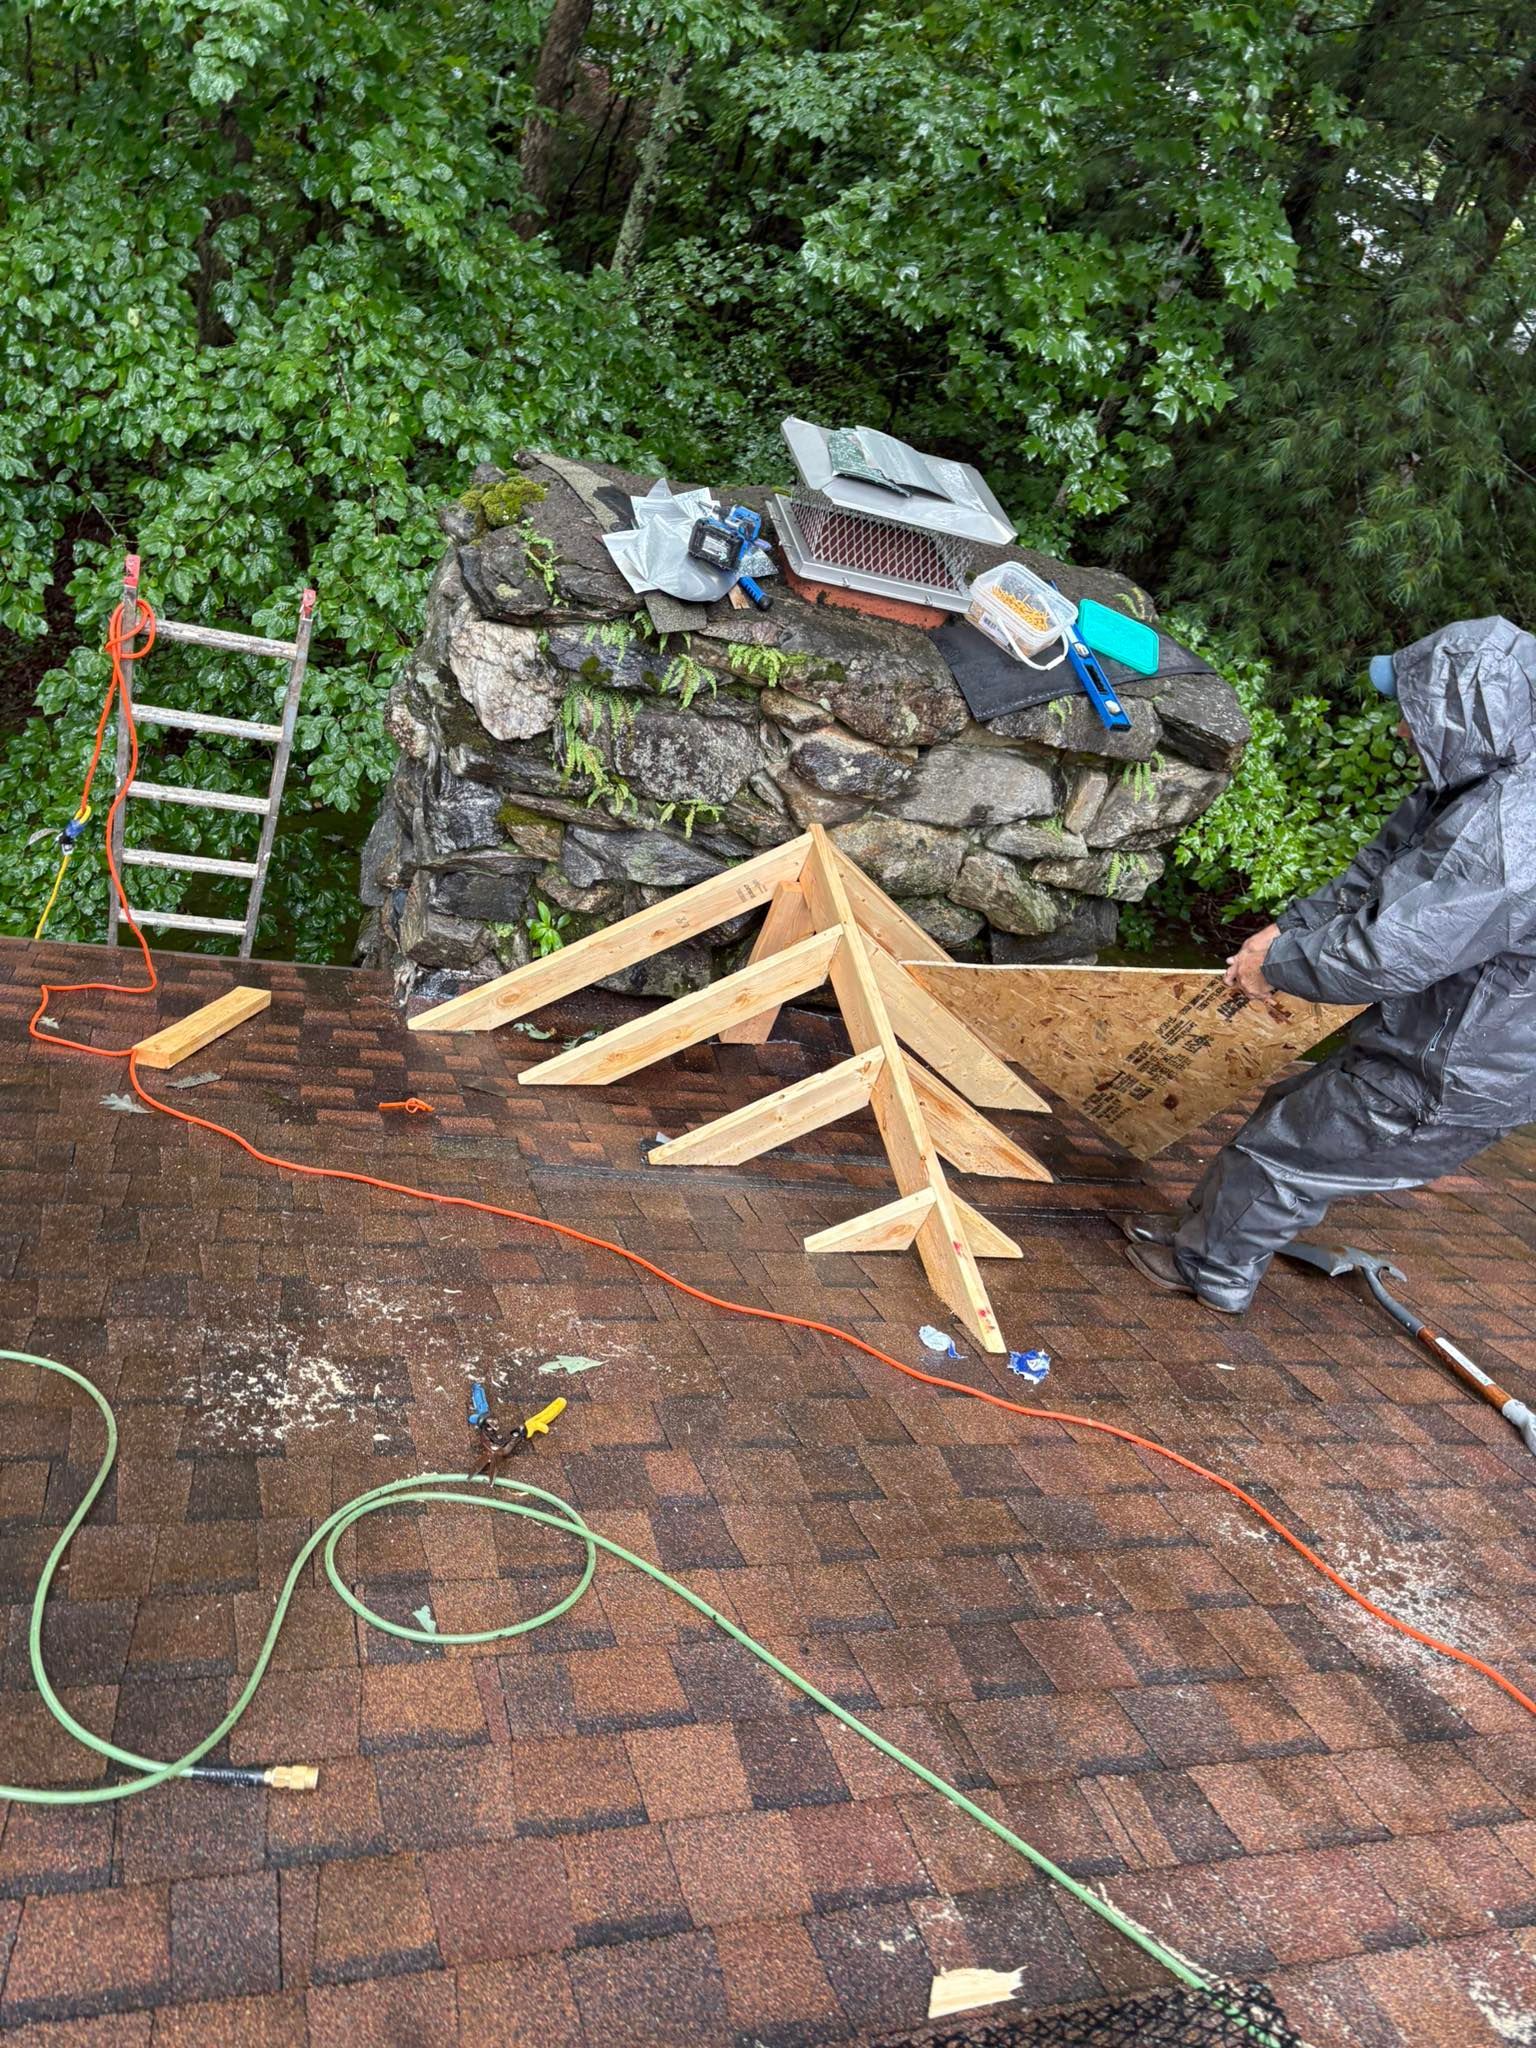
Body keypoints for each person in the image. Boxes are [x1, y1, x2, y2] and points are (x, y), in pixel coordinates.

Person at [1124, 615, 1536, 1314]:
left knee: (1286, 1152)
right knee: (1289, 1115)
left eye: (1413, 715)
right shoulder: (1472, 786)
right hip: (1434, 1038)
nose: (1403, 731)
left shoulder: (1509, 837)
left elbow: (1390, 952)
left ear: (1470, 717)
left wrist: (1277, 966)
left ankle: (1210, 1272)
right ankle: (1203, 1234)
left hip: (1453, 1068)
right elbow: (1377, 873)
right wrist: (1288, 928)